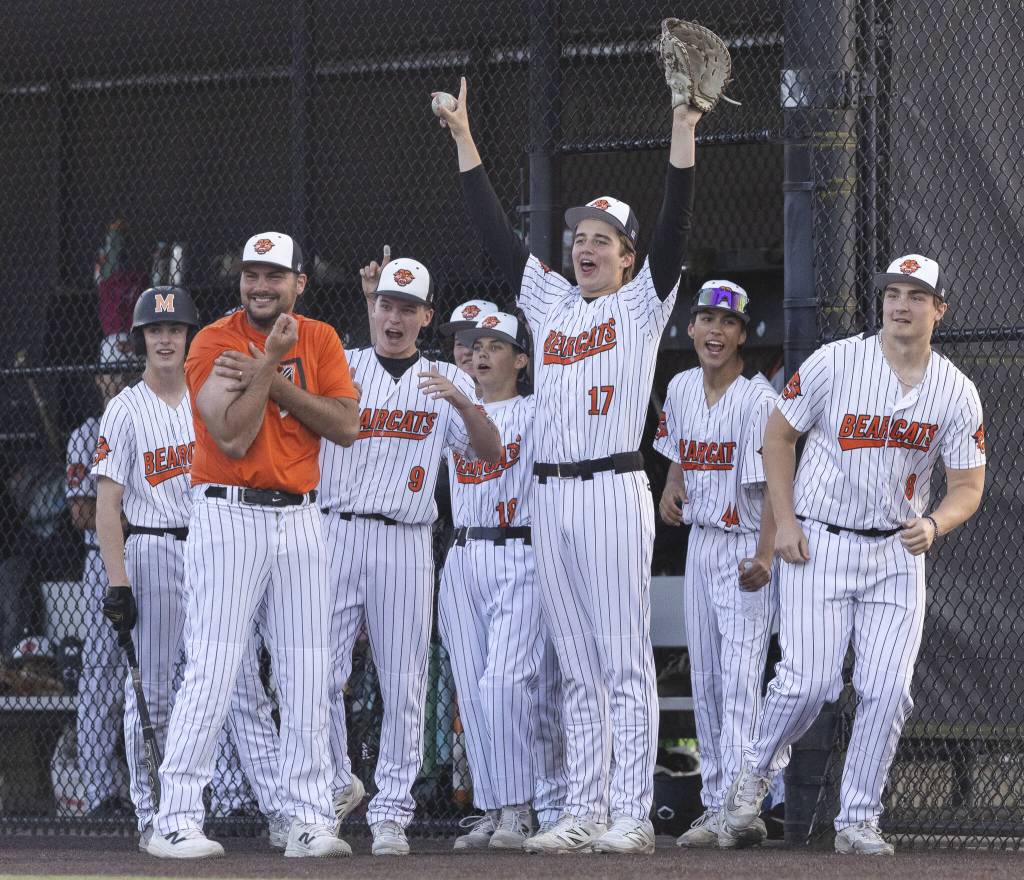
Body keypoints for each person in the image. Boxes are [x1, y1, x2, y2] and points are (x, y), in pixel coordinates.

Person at [437, 74, 701, 854]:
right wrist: (464, 138)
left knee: (623, 660)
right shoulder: (549, 305)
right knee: (579, 667)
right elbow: (493, 234)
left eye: (602, 240)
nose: (586, 246)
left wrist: (683, 130)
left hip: (615, 485)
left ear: (627, 257)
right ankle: (581, 809)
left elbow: (678, 225)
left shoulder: (644, 302)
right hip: (548, 498)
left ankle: (628, 813)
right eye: (579, 236)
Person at [722, 255, 986, 855]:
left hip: (896, 554)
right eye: (892, 292)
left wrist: (936, 523)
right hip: (821, 541)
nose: (900, 304)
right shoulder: (837, 361)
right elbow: (777, 435)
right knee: (808, 683)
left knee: (887, 690)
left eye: (916, 295)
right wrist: (784, 522)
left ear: (938, 310)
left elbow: (968, 486)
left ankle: (858, 820)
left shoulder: (956, 391)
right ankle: (754, 775)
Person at [145, 232, 360, 859]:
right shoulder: (213, 339)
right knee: (212, 665)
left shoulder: (319, 337)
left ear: (299, 283)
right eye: (250, 275)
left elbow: (346, 425)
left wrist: (270, 374)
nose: (260, 287)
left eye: (273, 276)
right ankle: (176, 818)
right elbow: (233, 436)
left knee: (304, 669)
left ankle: (307, 816)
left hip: (301, 517)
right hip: (228, 514)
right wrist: (273, 360)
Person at [93, 286, 288, 851]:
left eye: (174, 329)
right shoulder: (125, 408)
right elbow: (108, 504)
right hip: (152, 549)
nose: (164, 338)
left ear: (188, 337)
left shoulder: (209, 392)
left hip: (210, 543)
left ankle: (278, 809)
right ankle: (152, 814)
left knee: (242, 683)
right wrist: (117, 579)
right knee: (150, 692)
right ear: (141, 340)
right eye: (155, 331)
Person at [319, 256, 501, 856]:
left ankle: (392, 810)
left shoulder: (447, 378)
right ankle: (332, 785)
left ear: (427, 316)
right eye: (385, 305)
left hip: (405, 537)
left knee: (404, 680)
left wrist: (465, 401)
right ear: (372, 308)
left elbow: (488, 454)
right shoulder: (339, 367)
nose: (394, 318)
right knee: (318, 674)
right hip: (337, 529)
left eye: (407, 308)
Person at [654, 281, 779, 848]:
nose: (714, 331)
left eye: (727, 323)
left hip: (745, 541)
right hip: (701, 544)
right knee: (704, 676)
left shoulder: (759, 401)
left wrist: (765, 553)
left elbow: (779, 487)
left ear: (742, 335)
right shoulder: (680, 387)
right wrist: (671, 488)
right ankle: (713, 807)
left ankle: (743, 806)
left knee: (739, 681)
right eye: (706, 319)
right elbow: (678, 459)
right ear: (691, 327)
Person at [436, 311, 567, 851]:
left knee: (505, 684)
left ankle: (520, 808)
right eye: (474, 345)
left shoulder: (538, 412)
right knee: (473, 689)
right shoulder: (450, 415)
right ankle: (494, 806)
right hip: (463, 553)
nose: (483, 353)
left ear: (521, 359)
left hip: (520, 549)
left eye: (497, 345)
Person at [67, 332, 135, 818]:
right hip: (99, 561)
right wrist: (137, 514)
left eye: (128, 372)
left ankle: (152, 788)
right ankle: (98, 791)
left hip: (153, 554)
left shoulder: (158, 418)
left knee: (163, 675)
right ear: (99, 378)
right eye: (113, 372)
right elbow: (81, 513)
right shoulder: (87, 431)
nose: (119, 381)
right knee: (99, 677)